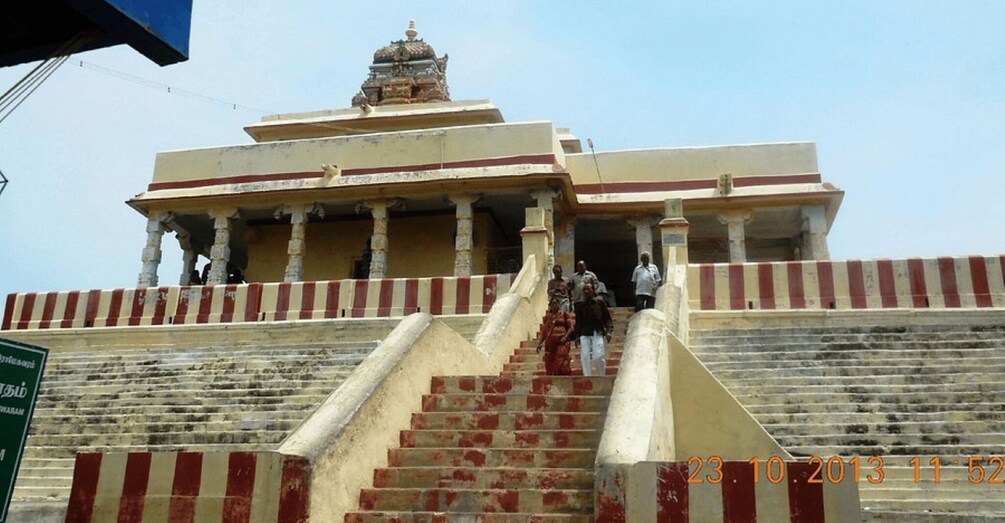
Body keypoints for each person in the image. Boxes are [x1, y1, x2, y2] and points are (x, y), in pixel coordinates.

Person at [565, 283, 613, 376]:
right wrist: (577, 336)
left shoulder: (599, 303)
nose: (586, 291)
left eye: (588, 289)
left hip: (597, 332)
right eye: (585, 289)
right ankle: (587, 376)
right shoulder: (580, 306)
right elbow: (578, 322)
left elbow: (607, 318)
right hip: (584, 333)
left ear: (593, 290)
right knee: (585, 356)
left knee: (599, 356)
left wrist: (609, 331)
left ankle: (601, 375)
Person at [536, 297, 574, 376]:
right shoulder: (547, 317)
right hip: (550, 343)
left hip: (561, 341)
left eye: (555, 303)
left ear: (559, 305)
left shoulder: (564, 315)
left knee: (561, 360)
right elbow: (544, 331)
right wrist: (540, 343)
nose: (554, 306)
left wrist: (565, 337)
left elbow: (571, 328)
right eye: (552, 304)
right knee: (550, 362)